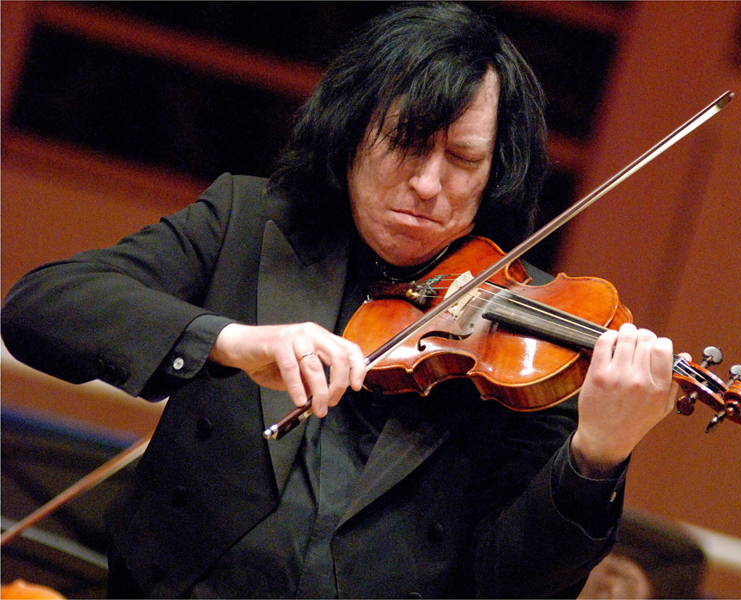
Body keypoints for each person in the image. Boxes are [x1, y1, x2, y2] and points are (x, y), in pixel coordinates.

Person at [1, 3, 683, 598]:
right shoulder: (248, 223)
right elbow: (43, 305)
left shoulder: (534, 336)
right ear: (353, 129)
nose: (428, 184)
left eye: (462, 159)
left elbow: (514, 584)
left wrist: (597, 454)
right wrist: (232, 341)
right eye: (407, 143)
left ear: (495, 171)